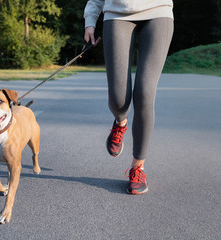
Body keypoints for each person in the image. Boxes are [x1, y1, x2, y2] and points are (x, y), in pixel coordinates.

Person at [84, 0, 174, 194]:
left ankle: (137, 168)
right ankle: (121, 122)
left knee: (145, 93)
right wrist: (90, 20)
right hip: (117, 13)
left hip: (159, 12)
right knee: (119, 100)